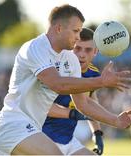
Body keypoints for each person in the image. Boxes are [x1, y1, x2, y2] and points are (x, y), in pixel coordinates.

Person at [0, 4, 131, 155]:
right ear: (59, 28)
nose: (78, 37)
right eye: (75, 31)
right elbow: (58, 84)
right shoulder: (35, 48)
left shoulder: (70, 59)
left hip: (33, 130)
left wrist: (115, 120)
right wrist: (101, 81)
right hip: (13, 125)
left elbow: (83, 104)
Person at [43, 27, 104, 155]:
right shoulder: (54, 70)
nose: (82, 54)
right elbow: (41, 106)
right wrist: (72, 113)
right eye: (77, 48)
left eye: (88, 50)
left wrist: (97, 133)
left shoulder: (93, 73)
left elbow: (90, 101)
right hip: (39, 136)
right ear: (70, 48)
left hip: (67, 140)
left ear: (95, 52)